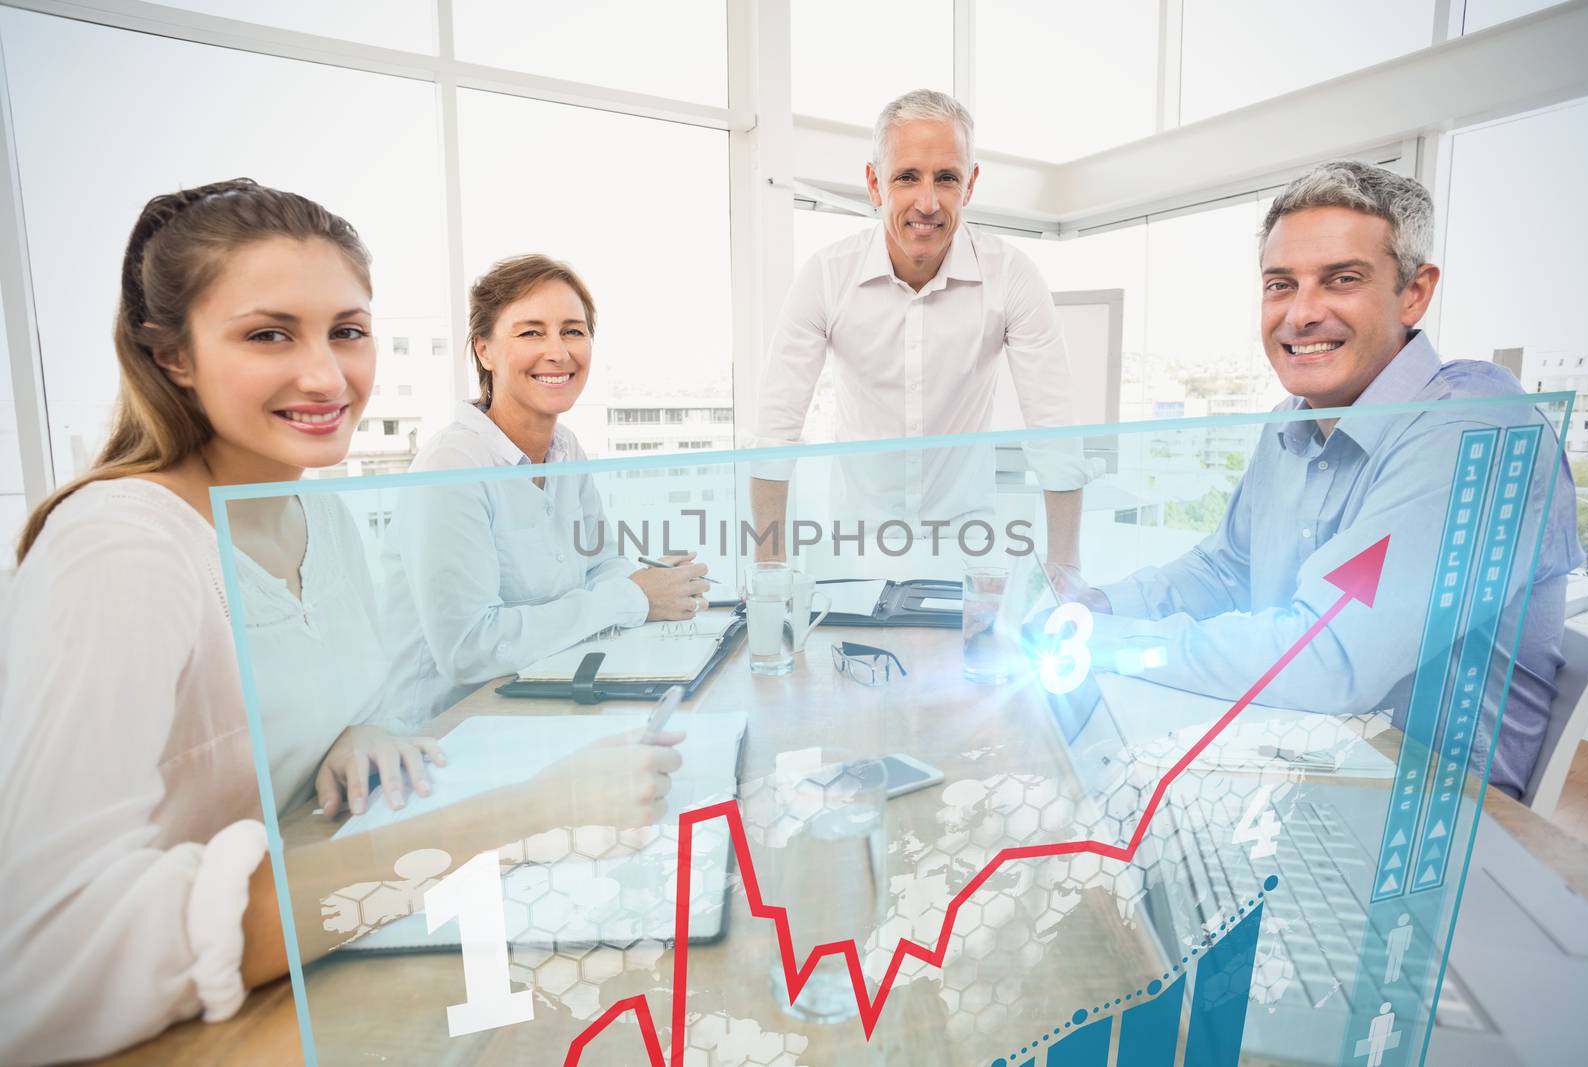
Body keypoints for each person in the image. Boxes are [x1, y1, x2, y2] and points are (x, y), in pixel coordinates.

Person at [0, 184, 682, 1065]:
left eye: (347, 331)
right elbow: (41, 954)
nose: (327, 376)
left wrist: (353, 729)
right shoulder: (119, 549)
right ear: (170, 355)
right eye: (268, 334)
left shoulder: (321, 515)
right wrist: (524, 815)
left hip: (324, 954)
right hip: (201, 1031)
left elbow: (266, 733)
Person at [1078, 160, 1580, 799]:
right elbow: (1224, 570)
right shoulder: (1292, 421)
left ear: (1414, 293)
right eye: (1280, 285)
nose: (1301, 314)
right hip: (1304, 760)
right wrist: (1100, 606)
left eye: (1341, 280)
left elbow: (1330, 659)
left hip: (1430, 820)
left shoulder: (1473, 428)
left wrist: (1107, 642)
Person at [750, 89, 1094, 575]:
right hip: (856, 545)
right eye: (907, 177)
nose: (927, 202)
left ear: (970, 185)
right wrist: (769, 577)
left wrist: (1066, 574)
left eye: (947, 178)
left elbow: (1055, 431)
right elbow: (775, 434)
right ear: (874, 184)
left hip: (969, 544)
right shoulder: (826, 276)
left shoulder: (1012, 275)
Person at [379, 254, 709, 723]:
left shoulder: (564, 448)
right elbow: (470, 649)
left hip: (543, 699)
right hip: (449, 736)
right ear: (484, 350)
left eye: (573, 330)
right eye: (531, 332)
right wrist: (634, 599)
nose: (558, 351)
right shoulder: (451, 467)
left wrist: (653, 584)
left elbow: (602, 563)